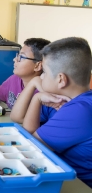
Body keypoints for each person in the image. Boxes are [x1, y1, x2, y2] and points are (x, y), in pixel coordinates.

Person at [11, 37, 92, 188]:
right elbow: (25, 126)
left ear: (61, 79)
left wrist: (37, 97)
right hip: (62, 174)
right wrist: (37, 98)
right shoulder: (66, 100)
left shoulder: (79, 111)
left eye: (45, 73)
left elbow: (29, 147)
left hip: (77, 185)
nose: (41, 77)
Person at [0, 38, 50, 109]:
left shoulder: (44, 93)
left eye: (21, 57)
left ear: (37, 66)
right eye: (17, 55)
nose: (14, 59)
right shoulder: (14, 79)